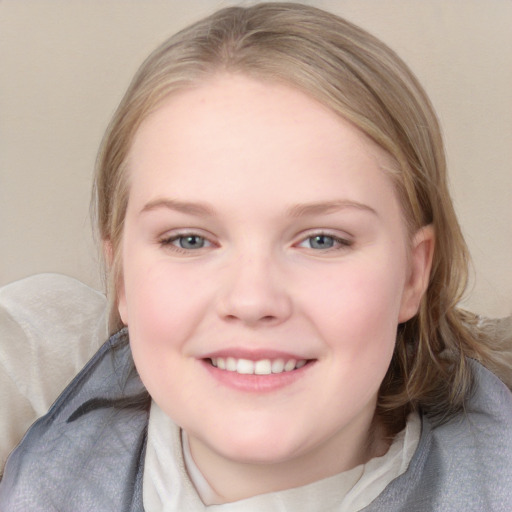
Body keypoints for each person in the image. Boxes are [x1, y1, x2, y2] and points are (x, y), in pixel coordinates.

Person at [1, 2, 511, 510]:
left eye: (322, 240)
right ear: (123, 278)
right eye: (189, 240)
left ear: (413, 275)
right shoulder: (40, 397)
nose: (251, 299)